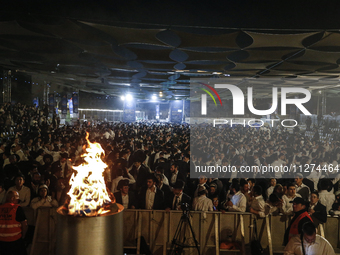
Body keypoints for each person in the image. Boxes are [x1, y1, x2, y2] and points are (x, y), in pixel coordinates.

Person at [0, 191, 28, 255]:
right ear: (12, 198)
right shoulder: (17, 208)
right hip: (15, 241)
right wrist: (23, 236)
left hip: (1, 242)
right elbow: (24, 224)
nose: (18, 200)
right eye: (17, 198)